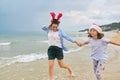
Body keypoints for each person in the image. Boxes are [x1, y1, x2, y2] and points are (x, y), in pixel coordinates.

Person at [42, 12, 80, 80]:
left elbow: (67, 37)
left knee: (61, 65)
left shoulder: (60, 31)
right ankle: (51, 79)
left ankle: (70, 70)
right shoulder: (49, 30)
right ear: (51, 25)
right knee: (50, 65)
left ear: (58, 26)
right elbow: (42, 28)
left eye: (56, 27)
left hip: (58, 49)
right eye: (53, 27)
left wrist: (75, 41)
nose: (54, 28)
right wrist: (48, 26)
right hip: (50, 50)